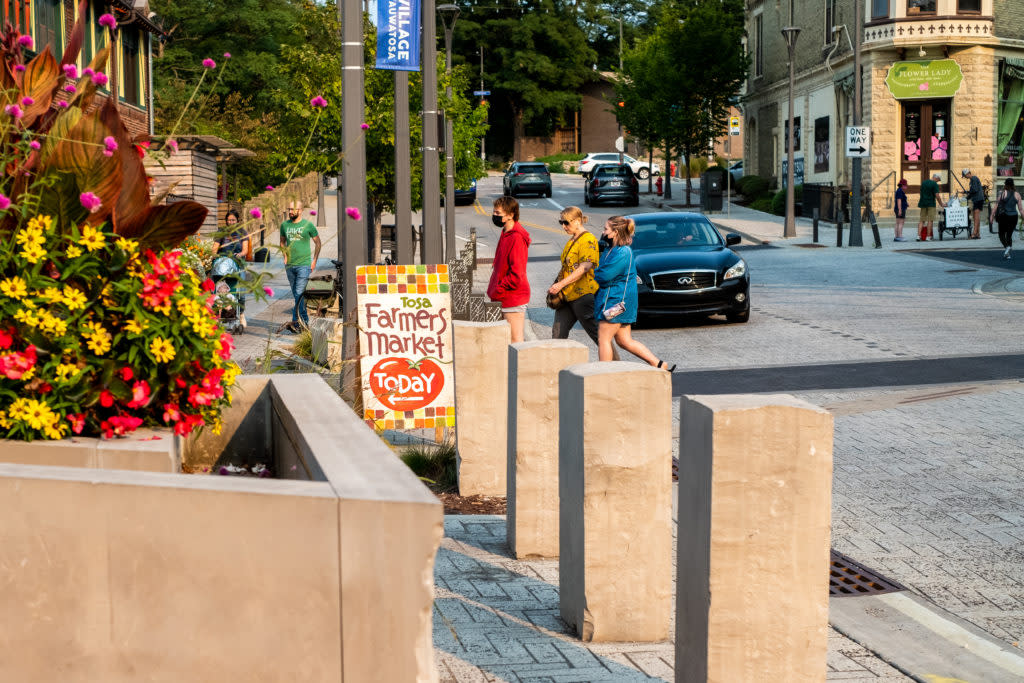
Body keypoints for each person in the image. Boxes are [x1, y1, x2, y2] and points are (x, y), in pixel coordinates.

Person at [593, 215, 674, 371]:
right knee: (624, 341)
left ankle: (602, 375)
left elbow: (604, 276)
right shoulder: (612, 249)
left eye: (605, 229)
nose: (603, 232)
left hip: (617, 302)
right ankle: (658, 364)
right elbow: (603, 272)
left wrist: (596, 272)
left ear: (615, 231)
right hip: (615, 300)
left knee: (603, 338)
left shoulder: (623, 252)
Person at [548, 207, 616, 357]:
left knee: (599, 336)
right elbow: (567, 267)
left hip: (583, 296)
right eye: (561, 222)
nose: (563, 226)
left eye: (566, 222)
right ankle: (557, 372)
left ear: (578, 221)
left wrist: (561, 284)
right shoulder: (571, 240)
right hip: (567, 295)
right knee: (557, 335)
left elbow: (585, 267)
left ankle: (617, 367)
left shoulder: (588, 239)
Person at [486, 196, 531, 343]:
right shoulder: (506, 232)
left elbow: (517, 274)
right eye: (494, 212)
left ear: (510, 215)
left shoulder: (517, 238)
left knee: (515, 341)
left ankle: (519, 367)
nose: (494, 216)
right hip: (503, 296)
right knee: (505, 340)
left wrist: (499, 289)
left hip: (513, 297)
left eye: (498, 213)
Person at [279, 200, 321, 332]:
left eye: (293, 209)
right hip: (290, 266)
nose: (290, 212)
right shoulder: (284, 225)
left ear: (301, 210)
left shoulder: (308, 225)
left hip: (304, 265)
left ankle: (296, 323)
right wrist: (285, 256)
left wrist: (314, 261)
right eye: (289, 209)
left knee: (298, 293)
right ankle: (305, 323)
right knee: (297, 295)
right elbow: (282, 242)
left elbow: (318, 243)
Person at [214, 209, 250, 327]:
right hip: (223, 263)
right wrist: (214, 254)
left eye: (233, 220)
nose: (231, 222)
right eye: (229, 220)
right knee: (219, 291)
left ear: (237, 221)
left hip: (238, 263)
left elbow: (245, 249)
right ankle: (219, 315)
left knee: (241, 292)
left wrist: (241, 254)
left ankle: (241, 315)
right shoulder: (221, 232)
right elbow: (215, 248)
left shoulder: (242, 232)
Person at [991, 178, 1023, 260]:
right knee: (1009, 235)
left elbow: (996, 206)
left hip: (1004, 217)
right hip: (1014, 217)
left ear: (1005, 184)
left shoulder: (1002, 193)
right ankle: (1007, 254)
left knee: (1001, 234)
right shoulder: (1017, 194)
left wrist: (992, 215)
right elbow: (1020, 209)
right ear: (1013, 185)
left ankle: (1007, 247)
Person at [917, 172, 945, 241]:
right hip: (931, 204)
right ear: (936, 177)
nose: (938, 181)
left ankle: (918, 236)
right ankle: (928, 236)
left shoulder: (924, 183)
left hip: (923, 203)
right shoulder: (934, 184)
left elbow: (920, 193)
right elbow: (937, 195)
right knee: (930, 220)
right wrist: (941, 204)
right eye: (938, 180)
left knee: (922, 220)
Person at [963, 168, 985, 239]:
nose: (965, 177)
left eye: (965, 176)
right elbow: (972, 191)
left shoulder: (974, 179)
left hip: (978, 199)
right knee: (976, 216)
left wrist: (968, 192)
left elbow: (974, 190)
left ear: (967, 173)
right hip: (977, 199)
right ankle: (977, 234)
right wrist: (966, 197)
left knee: (976, 216)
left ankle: (974, 233)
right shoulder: (972, 180)